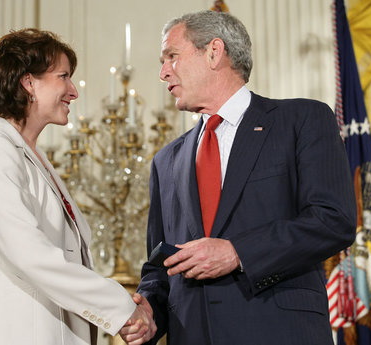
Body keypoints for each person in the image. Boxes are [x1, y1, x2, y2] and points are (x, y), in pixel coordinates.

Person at [121, 10, 357, 345]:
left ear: (214, 52)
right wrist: (148, 314)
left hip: (279, 333)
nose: (163, 73)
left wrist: (237, 252)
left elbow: (334, 221)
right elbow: (162, 267)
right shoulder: (166, 161)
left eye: (172, 57)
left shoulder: (302, 120)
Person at [0, 28, 155, 345]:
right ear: (28, 82)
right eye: (63, 76)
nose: (73, 91)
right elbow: (31, 255)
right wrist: (120, 307)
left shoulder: (38, 161)